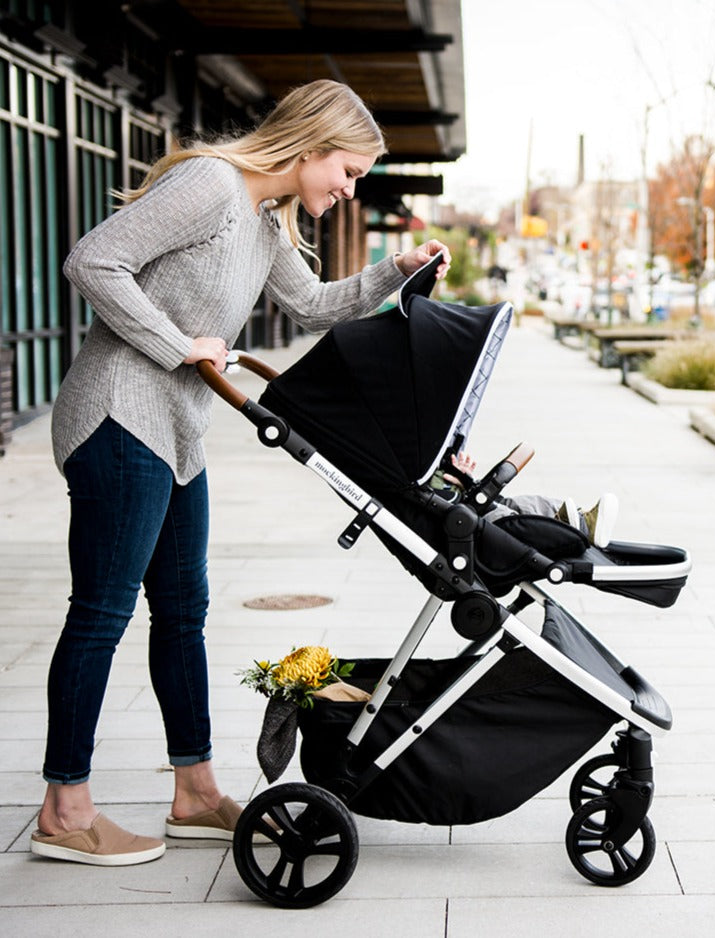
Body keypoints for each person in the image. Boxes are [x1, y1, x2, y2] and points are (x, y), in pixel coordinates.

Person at [31, 78, 451, 867]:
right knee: (102, 613)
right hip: (120, 415)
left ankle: (193, 792)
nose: (349, 188)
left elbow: (315, 306)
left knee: (183, 610)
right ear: (311, 147)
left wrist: (398, 268)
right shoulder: (212, 186)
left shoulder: (263, 221)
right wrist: (177, 343)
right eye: (349, 172)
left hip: (177, 432)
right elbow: (93, 260)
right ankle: (64, 811)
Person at [431, 452, 618, 548]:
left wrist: (465, 482)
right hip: (467, 529)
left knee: (525, 503)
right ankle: (561, 530)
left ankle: (580, 521)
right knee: (506, 519)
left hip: (460, 507)